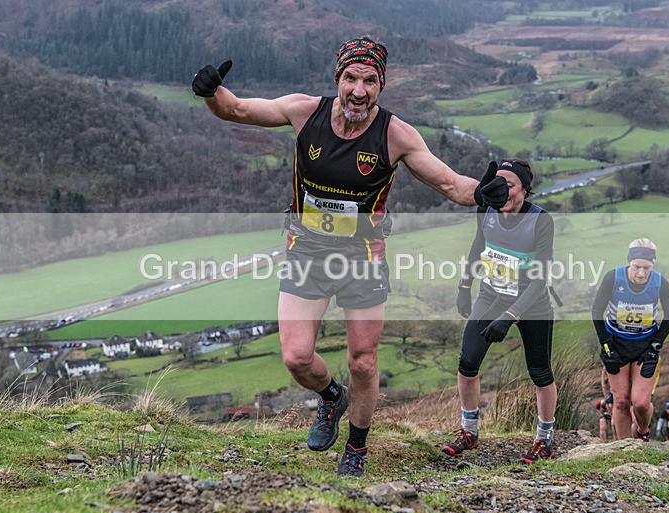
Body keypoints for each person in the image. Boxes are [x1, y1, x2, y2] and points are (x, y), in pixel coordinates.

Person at [192, 36, 510, 477]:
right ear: (337, 78)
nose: (359, 90)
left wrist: (482, 192)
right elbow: (237, 109)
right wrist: (211, 92)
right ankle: (330, 398)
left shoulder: (396, 135)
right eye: (351, 78)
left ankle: (357, 446)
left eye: (370, 81)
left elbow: (450, 184)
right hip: (306, 251)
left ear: (381, 85)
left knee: (364, 360)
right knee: (297, 357)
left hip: (363, 256)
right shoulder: (305, 112)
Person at [442, 159, 559, 464]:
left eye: (510, 185)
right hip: (490, 295)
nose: (503, 191)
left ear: (525, 190)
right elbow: (477, 246)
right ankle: (469, 431)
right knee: (467, 362)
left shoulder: (540, 221)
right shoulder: (487, 210)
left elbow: (540, 280)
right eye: (499, 184)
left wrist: (509, 317)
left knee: (539, 372)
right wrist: (464, 286)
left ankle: (545, 439)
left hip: (531, 303)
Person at [591, 239, 669, 441]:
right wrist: (605, 345)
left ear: (653, 265)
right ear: (629, 262)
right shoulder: (613, 277)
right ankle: (624, 447)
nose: (641, 273)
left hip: (645, 345)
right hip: (617, 344)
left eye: (646, 268)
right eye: (636, 267)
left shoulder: (660, 282)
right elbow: (596, 311)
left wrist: (656, 345)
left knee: (639, 403)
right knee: (620, 401)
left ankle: (643, 434)